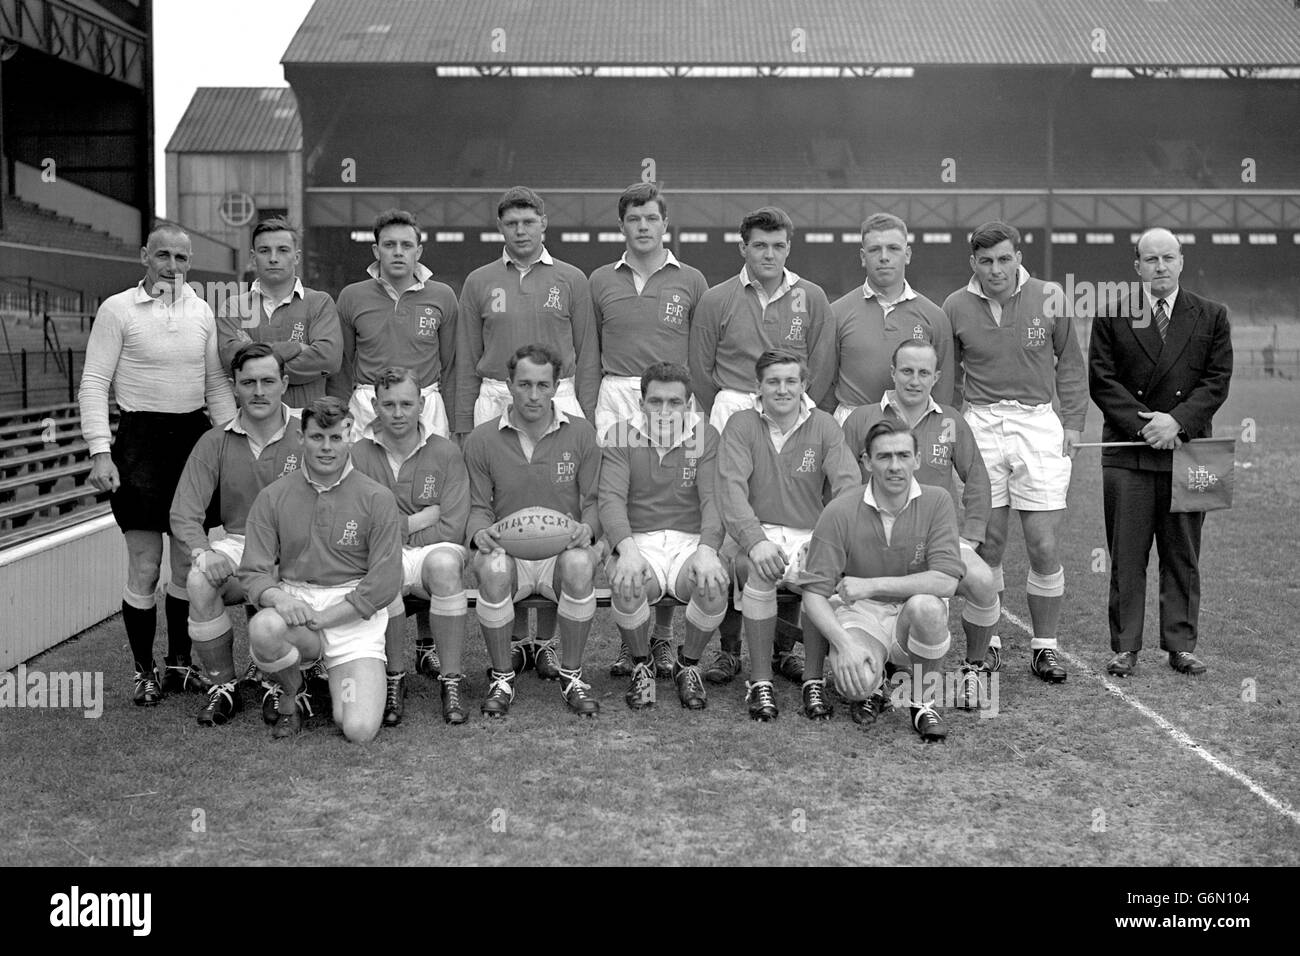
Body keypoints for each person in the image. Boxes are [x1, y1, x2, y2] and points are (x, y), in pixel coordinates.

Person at [79, 223, 237, 705]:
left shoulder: (203, 311)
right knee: (145, 566)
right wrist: (100, 452)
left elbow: (215, 386)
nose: (172, 266)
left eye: (182, 259)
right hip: (138, 446)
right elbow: (93, 384)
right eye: (163, 255)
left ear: (190, 264)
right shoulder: (116, 309)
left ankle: (180, 664)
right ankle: (143, 670)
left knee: (188, 561)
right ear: (145, 256)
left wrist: (239, 444)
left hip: (193, 441)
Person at [689, 207, 835, 681]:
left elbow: (823, 366)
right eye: (759, 245)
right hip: (734, 407)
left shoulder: (811, 296)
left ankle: (784, 648)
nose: (768, 254)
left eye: (777, 246)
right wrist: (736, 409)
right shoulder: (717, 298)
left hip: (792, 406)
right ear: (743, 248)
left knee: (793, 525)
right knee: (737, 532)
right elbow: (699, 367)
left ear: (788, 248)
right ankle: (731, 647)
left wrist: (793, 405)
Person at [455, 187, 599, 667]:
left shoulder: (572, 278)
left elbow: (588, 353)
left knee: (561, 502)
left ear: (544, 224)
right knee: (503, 505)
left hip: (557, 393)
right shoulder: (478, 280)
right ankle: (517, 639)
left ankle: (550, 641)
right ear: (500, 226)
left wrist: (589, 413)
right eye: (512, 223)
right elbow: (464, 356)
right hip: (498, 393)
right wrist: (462, 423)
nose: (520, 230)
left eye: (529, 222)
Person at [942, 221, 1087, 684]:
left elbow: (1071, 364)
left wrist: (1073, 423)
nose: (996, 269)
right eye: (986, 261)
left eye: (1005, 259)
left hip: (1037, 422)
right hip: (981, 423)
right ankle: (990, 643)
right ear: (973, 264)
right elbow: (948, 378)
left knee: (1043, 543)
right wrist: (947, 430)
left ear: (1019, 258)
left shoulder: (1050, 297)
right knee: (988, 544)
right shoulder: (955, 305)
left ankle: (1045, 648)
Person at [1089, 227, 1233, 677]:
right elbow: (1102, 381)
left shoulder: (1212, 315)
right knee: (1127, 554)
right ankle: (1125, 646)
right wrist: (1146, 424)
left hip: (1192, 451)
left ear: (1181, 261)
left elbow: (1216, 381)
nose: (1160, 267)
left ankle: (1180, 644)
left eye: (1168, 258)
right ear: (1137, 266)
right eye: (1150, 260)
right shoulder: (1112, 316)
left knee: (1183, 553)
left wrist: (1177, 422)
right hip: (1129, 450)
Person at [588, 182, 709, 676]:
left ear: (665, 224)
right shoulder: (599, 280)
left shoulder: (692, 279)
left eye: (651, 218)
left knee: (672, 509)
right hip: (619, 394)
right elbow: (587, 350)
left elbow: (699, 351)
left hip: (674, 397)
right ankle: (630, 637)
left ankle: (662, 637)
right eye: (634, 219)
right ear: (622, 226)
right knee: (629, 505)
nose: (643, 227)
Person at [841, 340, 1000, 707]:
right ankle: (885, 661)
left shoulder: (951, 421)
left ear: (937, 377)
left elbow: (976, 478)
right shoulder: (862, 419)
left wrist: (972, 536)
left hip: (935, 536)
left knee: (981, 578)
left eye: (924, 373)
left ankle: (974, 668)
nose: (914, 380)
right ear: (893, 372)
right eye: (907, 371)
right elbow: (840, 480)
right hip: (876, 535)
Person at [240, 397, 403, 741]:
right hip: (298, 607)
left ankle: (333, 678)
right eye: (317, 437)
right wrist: (279, 600)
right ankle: (292, 692)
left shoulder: (377, 497)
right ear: (301, 438)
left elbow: (385, 582)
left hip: (351, 619)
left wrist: (326, 618)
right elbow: (253, 571)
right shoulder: (273, 496)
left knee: (356, 729)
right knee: (265, 628)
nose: (326, 447)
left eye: (335, 438)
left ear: (349, 437)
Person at [800, 420, 966, 742]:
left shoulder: (938, 500)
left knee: (928, 608)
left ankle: (923, 702)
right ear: (866, 461)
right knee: (856, 684)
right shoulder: (839, 510)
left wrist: (872, 584)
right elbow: (814, 595)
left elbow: (947, 581)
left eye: (904, 455)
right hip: (862, 614)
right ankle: (875, 686)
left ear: (917, 460)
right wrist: (844, 645)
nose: (895, 466)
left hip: (910, 614)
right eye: (884, 457)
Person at [717, 349, 859, 720]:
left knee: (819, 575)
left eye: (790, 381)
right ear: (758, 386)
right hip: (757, 530)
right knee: (758, 569)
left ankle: (814, 681)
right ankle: (760, 682)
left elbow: (848, 488)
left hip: (810, 532)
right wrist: (755, 540)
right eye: (773, 382)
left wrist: (827, 539)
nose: (782, 389)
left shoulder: (825, 425)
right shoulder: (741, 424)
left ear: (804, 384)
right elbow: (731, 490)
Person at [170, 343, 306, 726]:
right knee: (198, 580)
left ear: (285, 383)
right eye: (248, 382)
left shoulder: (309, 435)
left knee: (287, 579)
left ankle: (281, 680)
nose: (258, 391)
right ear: (234, 387)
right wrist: (203, 552)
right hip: (240, 543)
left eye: (267, 381)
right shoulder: (214, 441)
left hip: (298, 547)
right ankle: (223, 686)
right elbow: (183, 513)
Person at [463, 344, 603, 717]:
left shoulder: (582, 434)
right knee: (490, 566)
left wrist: (588, 529)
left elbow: (593, 500)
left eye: (543, 385)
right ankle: (502, 677)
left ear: (557, 386)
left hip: (560, 554)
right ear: (508, 384)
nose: (534, 394)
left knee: (578, 563)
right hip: (510, 553)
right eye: (524, 384)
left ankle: (571, 675)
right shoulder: (481, 439)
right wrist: (479, 532)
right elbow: (478, 505)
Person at [598, 362, 729, 710]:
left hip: (688, 541)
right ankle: (643, 666)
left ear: (688, 405)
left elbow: (713, 500)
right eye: (656, 402)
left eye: (674, 402)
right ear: (641, 403)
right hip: (640, 539)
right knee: (627, 582)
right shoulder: (620, 434)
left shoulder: (706, 435)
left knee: (713, 583)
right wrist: (625, 550)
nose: (665, 411)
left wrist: (707, 550)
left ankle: (688, 666)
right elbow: (610, 499)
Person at [351, 367, 471, 725]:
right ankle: (395, 678)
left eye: (406, 403)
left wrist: (392, 529)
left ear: (422, 404)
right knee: (384, 568)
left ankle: (450, 680)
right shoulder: (357, 454)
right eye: (389, 405)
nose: (398, 413)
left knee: (446, 567)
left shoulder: (446, 452)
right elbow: (357, 528)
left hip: (436, 548)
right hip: (383, 554)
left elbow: (451, 525)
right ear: (374, 405)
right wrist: (415, 521)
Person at [328, 209, 458, 439]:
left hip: (425, 404)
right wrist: (337, 416)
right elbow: (342, 365)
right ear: (376, 251)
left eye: (406, 245)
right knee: (367, 474)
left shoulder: (443, 296)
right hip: (369, 406)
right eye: (389, 245)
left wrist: (455, 418)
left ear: (418, 251)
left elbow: (450, 366)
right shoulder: (351, 296)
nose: (398, 252)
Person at [826, 213, 954, 421]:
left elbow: (945, 389)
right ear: (862, 257)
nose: (884, 257)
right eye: (875, 249)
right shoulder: (836, 313)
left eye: (893, 248)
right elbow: (825, 384)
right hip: (851, 423)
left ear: (908, 254)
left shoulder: (935, 317)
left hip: (913, 425)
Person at [216, 217, 341, 409]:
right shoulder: (233, 307)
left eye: (283, 250)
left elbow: (328, 360)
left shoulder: (319, 302)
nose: (273, 258)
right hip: (253, 422)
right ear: (253, 258)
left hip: (307, 422)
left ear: (296, 257)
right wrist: (296, 348)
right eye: (264, 250)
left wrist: (253, 354)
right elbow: (232, 362)